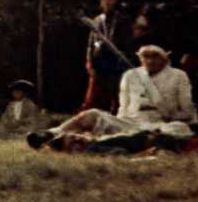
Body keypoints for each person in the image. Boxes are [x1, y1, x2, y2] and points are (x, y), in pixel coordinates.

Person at [28, 44, 196, 148]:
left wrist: (168, 113)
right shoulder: (131, 75)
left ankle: (105, 143)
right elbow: (123, 107)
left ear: (164, 58)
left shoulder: (178, 76)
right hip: (132, 122)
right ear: (140, 58)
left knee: (174, 132)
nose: (150, 60)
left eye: (155, 56)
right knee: (92, 114)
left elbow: (187, 112)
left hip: (161, 123)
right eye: (145, 56)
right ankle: (49, 136)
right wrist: (115, 125)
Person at [81, 0, 135, 111]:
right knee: (91, 100)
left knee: (117, 98)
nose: (107, 1)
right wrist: (90, 61)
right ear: (100, 1)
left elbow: (129, 43)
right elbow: (92, 43)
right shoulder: (97, 21)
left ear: (115, 1)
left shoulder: (122, 20)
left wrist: (112, 42)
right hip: (99, 63)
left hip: (116, 65)